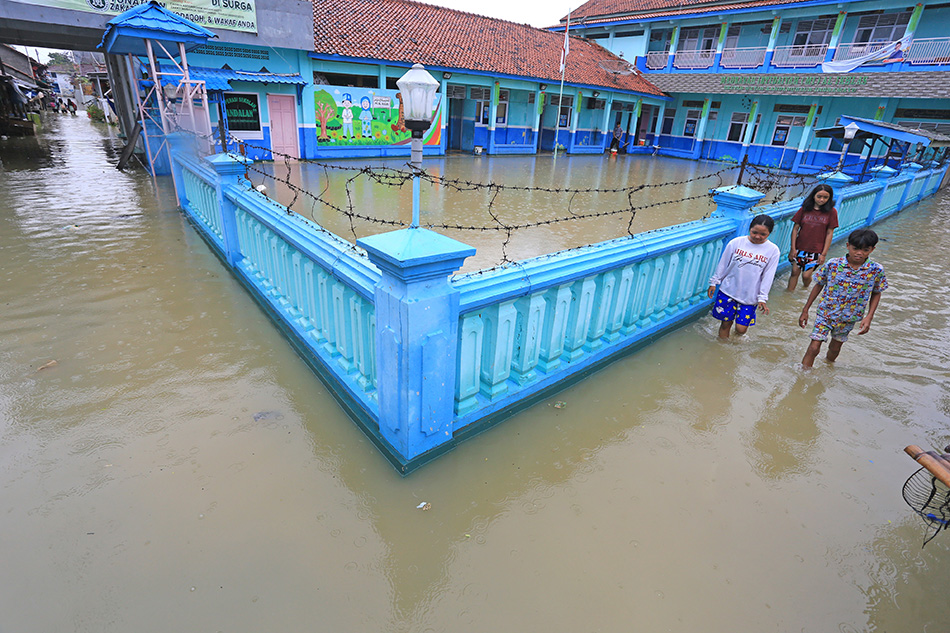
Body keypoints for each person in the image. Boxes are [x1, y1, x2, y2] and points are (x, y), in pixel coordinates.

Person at [799, 228, 887, 368]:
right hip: (826, 313)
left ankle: (828, 368)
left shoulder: (876, 270)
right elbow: (819, 284)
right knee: (814, 347)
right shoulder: (833, 264)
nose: (859, 253)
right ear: (848, 246)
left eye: (865, 250)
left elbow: (877, 292)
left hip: (849, 317)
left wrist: (869, 316)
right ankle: (803, 374)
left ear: (872, 249)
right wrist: (805, 309)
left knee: (835, 349)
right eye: (855, 248)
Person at [707, 214, 781, 339]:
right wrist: (714, 282)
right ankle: (723, 349)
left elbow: (768, 275)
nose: (757, 236)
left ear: (770, 233)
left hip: (750, 295)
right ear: (749, 228)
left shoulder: (773, 250)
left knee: (741, 329)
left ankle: (736, 340)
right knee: (725, 324)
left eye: (763, 234)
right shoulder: (736, 243)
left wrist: (762, 297)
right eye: (754, 232)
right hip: (729, 290)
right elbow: (723, 263)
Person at [786, 184, 838, 291]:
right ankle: (788, 294)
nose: (821, 199)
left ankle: (804, 289)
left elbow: (829, 233)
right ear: (813, 196)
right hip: (800, 247)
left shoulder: (832, 212)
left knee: (806, 275)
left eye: (825, 197)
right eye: (819, 196)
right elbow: (795, 229)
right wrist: (793, 248)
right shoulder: (804, 209)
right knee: (794, 272)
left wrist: (823, 254)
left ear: (829, 198)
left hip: (816, 250)